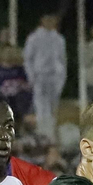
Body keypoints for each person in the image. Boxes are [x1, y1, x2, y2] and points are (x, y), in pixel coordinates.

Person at [24, 13, 67, 141]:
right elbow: (28, 59)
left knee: (53, 108)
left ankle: (51, 136)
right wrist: (31, 77)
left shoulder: (59, 39)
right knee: (41, 108)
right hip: (40, 76)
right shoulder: (34, 38)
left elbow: (62, 60)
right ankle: (43, 135)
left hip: (54, 77)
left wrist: (61, 78)